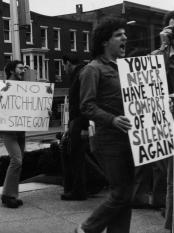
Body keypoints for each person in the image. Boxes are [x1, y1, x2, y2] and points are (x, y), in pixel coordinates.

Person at [76, 17, 134, 233]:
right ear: (104, 41)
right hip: (108, 140)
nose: (125, 38)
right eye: (119, 35)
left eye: (124, 34)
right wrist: (112, 119)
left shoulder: (125, 68)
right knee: (120, 193)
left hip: (129, 139)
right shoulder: (93, 69)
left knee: (127, 194)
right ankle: (86, 229)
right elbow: (87, 106)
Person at [152, 10, 174, 231]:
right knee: (171, 177)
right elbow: (151, 77)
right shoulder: (158, 54)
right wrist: (164, 46)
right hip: (166, 122)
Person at [60, 55, 89, 201]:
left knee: (76, 157)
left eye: (63, 66)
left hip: (78, 122)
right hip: (76, 121)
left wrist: (84, 127)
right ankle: (76, 188)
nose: (63, 70)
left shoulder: (80, 75)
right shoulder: (80, 73)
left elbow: (84, 102)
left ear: (68, 63)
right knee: (75, 155)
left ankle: (78, 191)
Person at [0, 60, 26, 208]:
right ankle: (7, 195)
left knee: (19, 162)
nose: (23, 70)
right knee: (17, 160)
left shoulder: (26, 87)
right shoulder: (4, 87)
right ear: (12, 70)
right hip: (8, 130)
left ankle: (12, 194)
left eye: (23, 68)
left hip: (21, 130)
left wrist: (45, 111)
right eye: (20, 68)